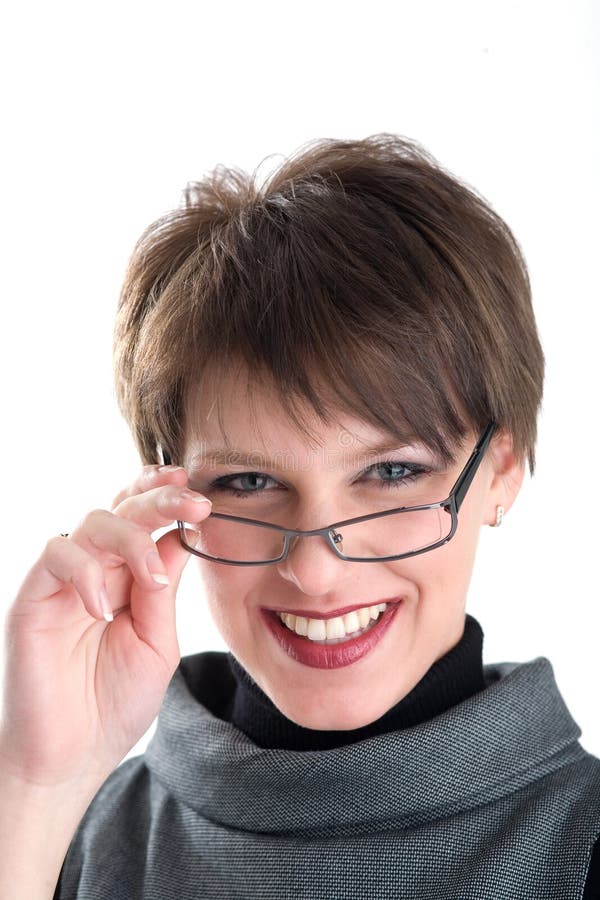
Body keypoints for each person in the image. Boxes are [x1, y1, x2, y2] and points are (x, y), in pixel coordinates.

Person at [1, 133, 599, 899]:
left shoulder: (581, 845)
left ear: (502, 472)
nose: (315, 572)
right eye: (249, 481)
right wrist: (38, 787)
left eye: (391, 473)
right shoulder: (62, 839)